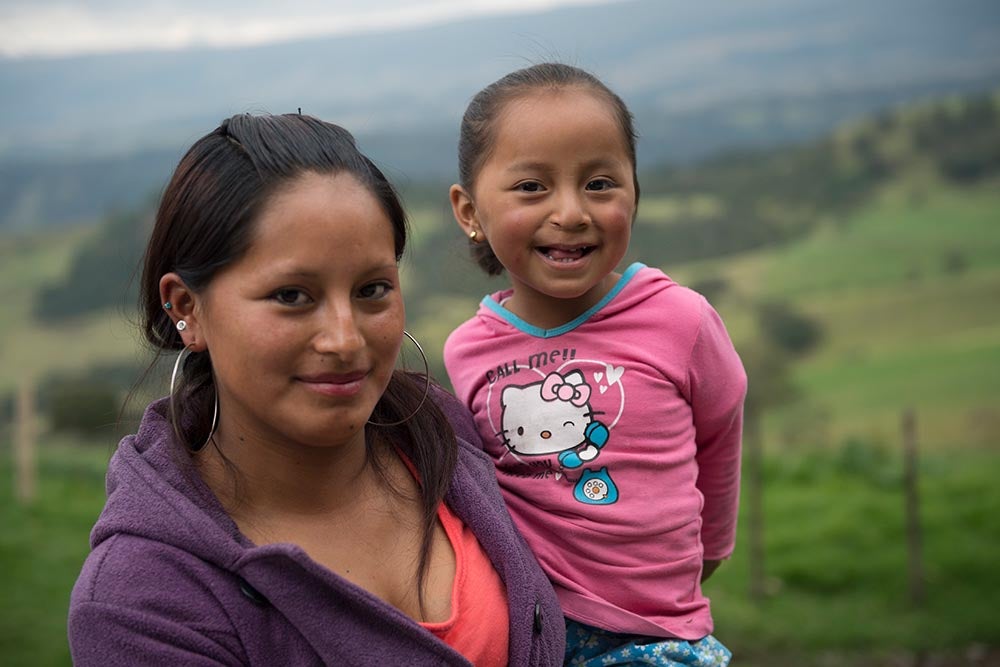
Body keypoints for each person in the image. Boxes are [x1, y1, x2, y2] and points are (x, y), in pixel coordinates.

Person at [68, 112, 565, 666]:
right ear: (188, 308)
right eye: (292, 296)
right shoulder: (144, 604)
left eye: (372, 289)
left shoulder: (444, 432)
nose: (344, 339)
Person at [443, 63, 747, 666]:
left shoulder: (680, 321)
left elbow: (720, 431)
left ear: (635, 191)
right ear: (470, 210)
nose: (572, 212)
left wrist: (711, 549)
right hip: (528, 633)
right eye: (532, 187)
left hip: (658, 633)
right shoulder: (467, 350)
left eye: (600, 184)